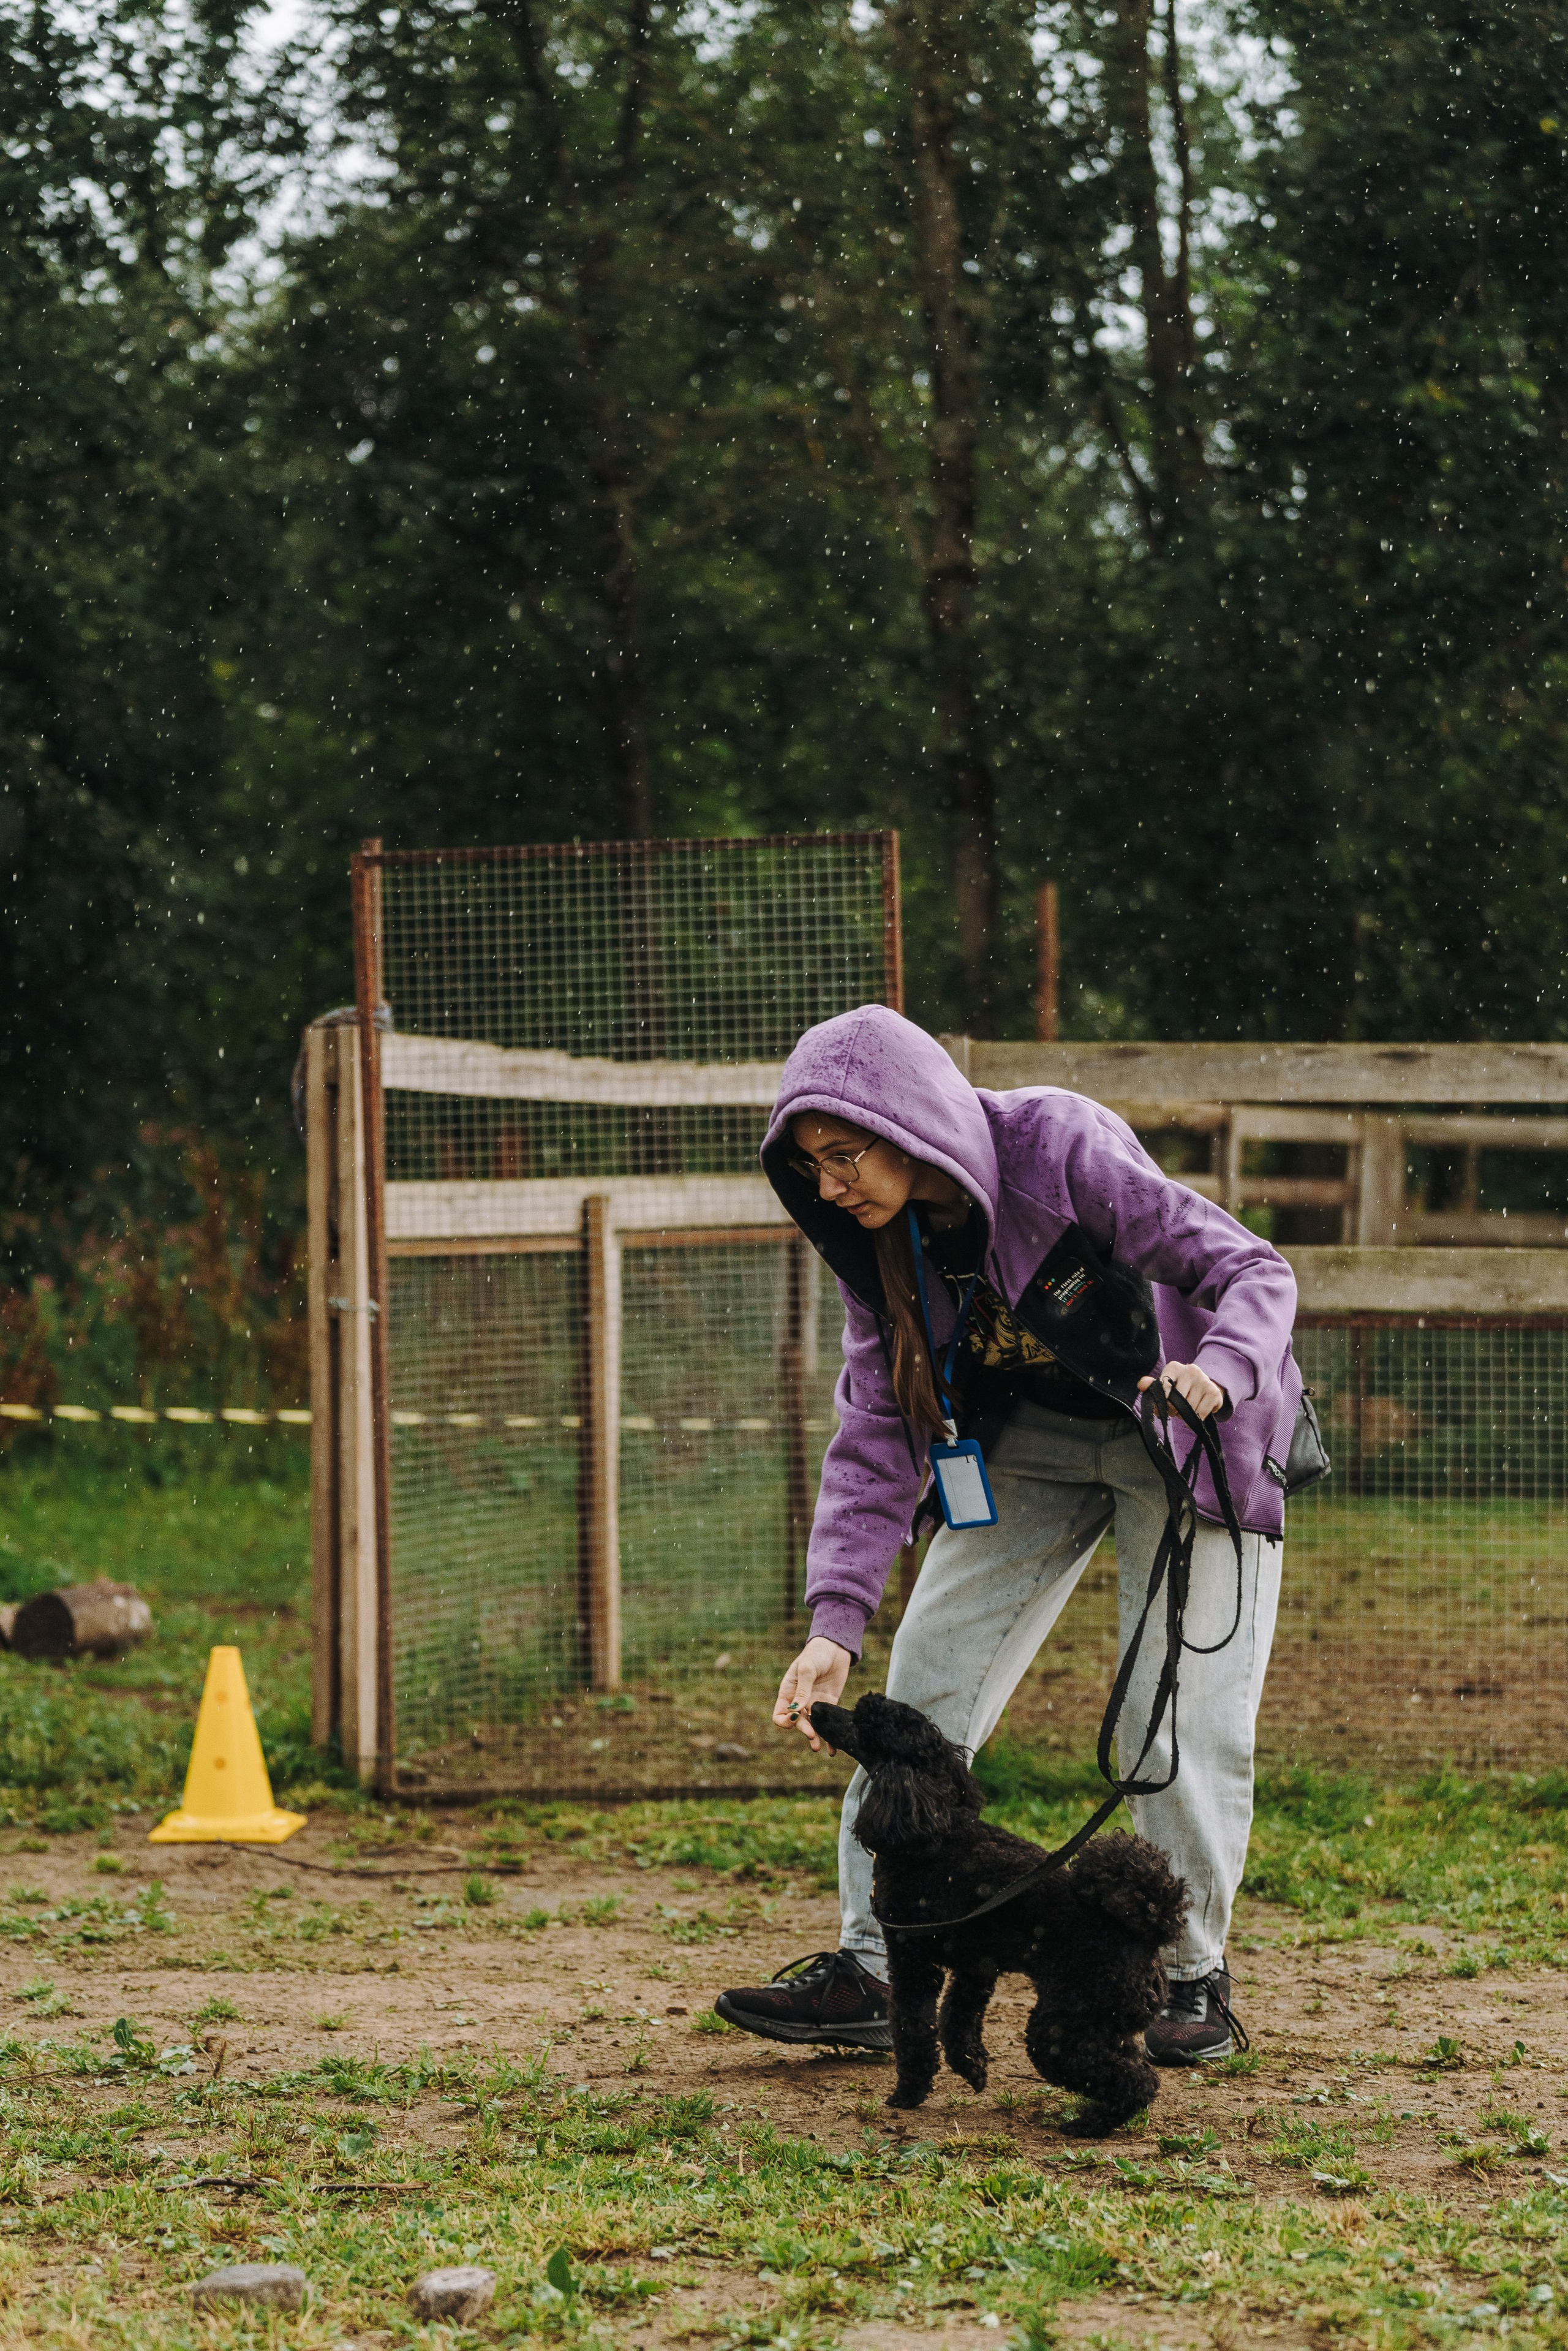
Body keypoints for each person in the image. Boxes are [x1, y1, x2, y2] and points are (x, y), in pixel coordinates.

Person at [716, 1006, 1300, 2065]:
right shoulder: (879, 1250)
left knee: (1169, 1728)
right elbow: (876, 1424)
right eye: (814, 1168)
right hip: (1026, 1448)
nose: (833, 1184)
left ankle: (1191, 1978)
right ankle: (876, 1961)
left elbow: (1255, 1269)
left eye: (846, 1154)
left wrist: (1220, 1370)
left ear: (910, 1123)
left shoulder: (1059, 1148)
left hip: (1180, 1437)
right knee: (918, 1704)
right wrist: (835, 1622)